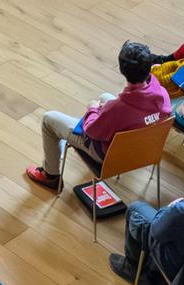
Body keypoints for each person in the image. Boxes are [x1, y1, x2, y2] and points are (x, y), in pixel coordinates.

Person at [24, 41, 171, 190]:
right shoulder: (162, 94)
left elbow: (92, 130)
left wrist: (93, 109)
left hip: (110, 157)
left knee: (49, 119)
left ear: (122, 70)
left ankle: (50, 176)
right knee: (105, 97)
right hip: (146, 151)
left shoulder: (118, 108)